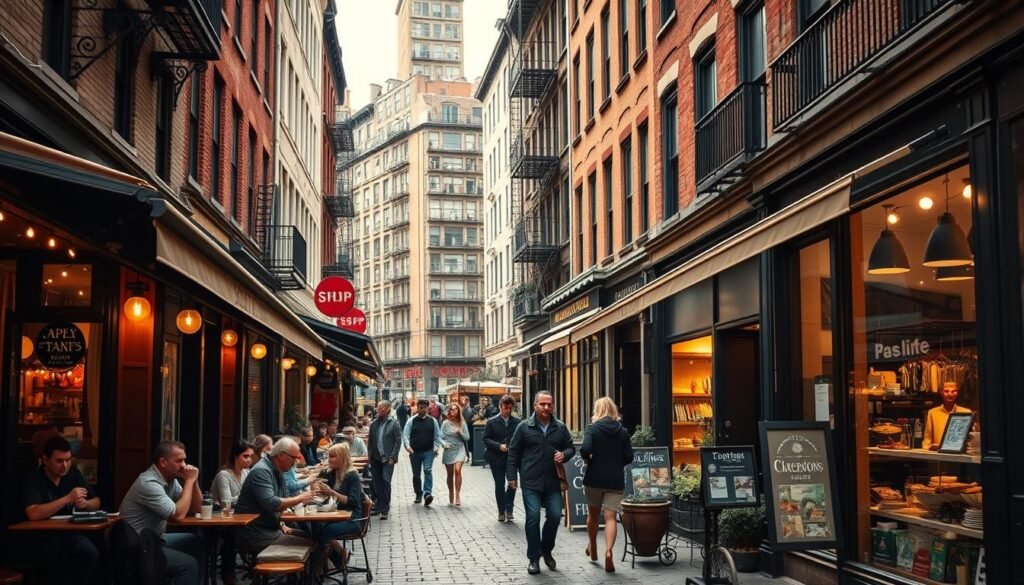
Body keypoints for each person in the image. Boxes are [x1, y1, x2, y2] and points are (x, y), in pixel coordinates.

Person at [507, 391, 575, 575]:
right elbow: (513, 453)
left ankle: (546, 549)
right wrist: (512, 477)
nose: (546, 408)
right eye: (542, 404)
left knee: (554, 516)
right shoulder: (524, 427)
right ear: (535, 405)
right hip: (531, 481)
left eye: (549, 404)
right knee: (533, 517)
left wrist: (565, 454)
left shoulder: (559, 427)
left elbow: (571, 447)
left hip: (553, 481)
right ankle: (534, 558)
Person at [119, 441, 205, 585]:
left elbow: (196, 509)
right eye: (179, 460)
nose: (184, 465)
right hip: (137, 547)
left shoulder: (170, 480)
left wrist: (194, 482)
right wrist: (189, 481)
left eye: (184, 460)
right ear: (163, 462)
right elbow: (178, 515)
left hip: (154, 539)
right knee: (188, 565)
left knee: (193, 541)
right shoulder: (149, 483)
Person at [18, 436, 101, 585]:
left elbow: (96, 502)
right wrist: (67, 498)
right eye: (59, 461)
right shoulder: (33, 479)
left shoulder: (73, 474)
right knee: (53, 559)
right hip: (41, 537)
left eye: (68, 460)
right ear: (45, 460)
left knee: (90, 553)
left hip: (69, 534)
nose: (65, 465)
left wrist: (85, 504)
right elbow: (33, 513)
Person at [234, 438, 318, 556]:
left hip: (271, 529)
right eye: (294, 458)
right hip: (256, 534)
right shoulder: (262, 471)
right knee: (312, 543)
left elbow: (284, 498)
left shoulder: (277, 470)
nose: (296, 462)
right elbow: (271, 503)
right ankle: (303, 573)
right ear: (281, 455)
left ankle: (308, 573)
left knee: (316, 537)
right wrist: (300, 498)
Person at [579, 397, 634, 573]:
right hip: (615, 479)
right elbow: (629, 457)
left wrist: (590, 458)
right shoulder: (623, 432)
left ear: (598, 410)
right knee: (611, 518)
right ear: (613, 410)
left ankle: (593, 545)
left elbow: (585, 450)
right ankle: (609, 551)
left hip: (594, 478)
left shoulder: (592, 429)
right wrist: (617, 462)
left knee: (593, 515)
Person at [314, 443, 367, 568]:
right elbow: (320, 482)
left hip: (353, 519)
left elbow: (353, 501)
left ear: (342, 457)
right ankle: (338, 557)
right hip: (338, 516)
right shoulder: (333, 473)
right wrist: (318, 486)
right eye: (328, 456)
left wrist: (332, 492)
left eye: (332, 456)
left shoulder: (352, 475)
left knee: (324, 532)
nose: (329, 459)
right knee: (315, 526)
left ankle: (328, 565)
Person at [209, 441, 254, 585]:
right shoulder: (224, 475)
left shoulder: (246, 473)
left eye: (251, 456)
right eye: (245, 456)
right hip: (217, 518)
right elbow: (225, 502)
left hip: (240, 515)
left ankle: (255, 567)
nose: (249, 460)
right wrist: (246, 498)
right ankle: (227, 573)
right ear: (235, 456)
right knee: (232, 534)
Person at [484, 395, 521, 522]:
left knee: (512, 484)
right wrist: (498, 446)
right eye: (505, 408)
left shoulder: (517, 422)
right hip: (496, 458)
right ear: (500, 407)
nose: (508, 411)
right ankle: (501, 511)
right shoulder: (491, 422)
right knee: (499, 485)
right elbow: (486, 439)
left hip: (511, 459)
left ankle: (509, 509)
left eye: (510, 408)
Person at [403, 398, 442, 507]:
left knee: (427, 471)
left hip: (428, 451)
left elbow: (437, 436)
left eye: (425, 407)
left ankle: (427, 494)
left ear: (427, 408)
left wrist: (436, 447)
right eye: (421, 407)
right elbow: (405, 435)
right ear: (418, 407)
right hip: (414, 452)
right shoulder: (411, 421)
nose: (423, 409)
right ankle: (418, 494)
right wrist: (407, 446)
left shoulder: (433, 421)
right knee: (416, 474)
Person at [367, 400, 402, 520]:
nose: (378, 410)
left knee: (385, 482)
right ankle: (380, 505)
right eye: (377, 408)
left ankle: (384, 509)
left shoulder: (394, 424)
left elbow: (398, 442)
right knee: (377, 483)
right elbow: (370, 442)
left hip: (388, 459)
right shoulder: (374, 424)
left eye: (381, 408)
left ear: (387, 409)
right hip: (376, 458)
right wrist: (369, 457)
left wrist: (393, 457)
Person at [923, 381, 971, 449]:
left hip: (960, 455)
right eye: (946, 391)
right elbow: (927, 440)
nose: (950, 394)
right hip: (939, 455)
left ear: (957, 393)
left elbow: (970, 439)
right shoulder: (933, 413)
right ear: (941, 393)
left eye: (953, 391)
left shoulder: (966, 412)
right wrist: (930, 447)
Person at [441, 403, 470, 506]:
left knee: (457, 470)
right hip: (449, 449)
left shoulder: (462, 423)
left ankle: (457, 494)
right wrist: (444, 445)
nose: (453, 411)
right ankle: (451, 492)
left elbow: (467, 438)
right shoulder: (445, 423)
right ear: (449, 411)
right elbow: (441, 437)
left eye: (455, 409)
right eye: (451, 410)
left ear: (458, 411)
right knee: (450, 474)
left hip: (459, 448)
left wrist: (460, 433)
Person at [460, 395, 476, 461]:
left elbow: (465, 420)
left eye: (463, 400)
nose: (462, 401)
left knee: (467, 442)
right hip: (466, 427)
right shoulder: (464, 408)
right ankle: (468, 456)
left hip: (467, 428)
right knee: (466, 443)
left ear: (467, 401)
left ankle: (468, 456)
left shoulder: (468, 409)